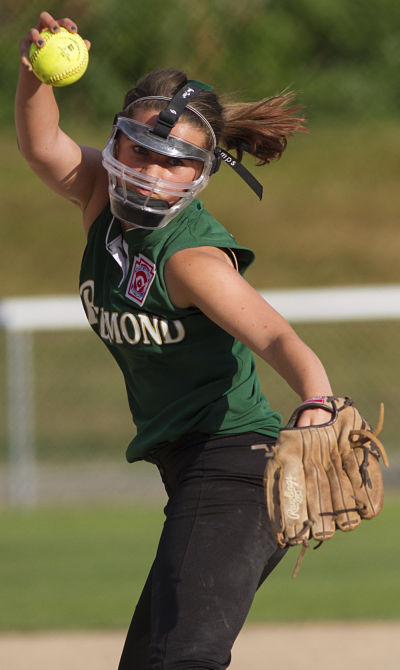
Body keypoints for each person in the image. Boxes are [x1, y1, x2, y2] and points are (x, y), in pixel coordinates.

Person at [17, 12, 334, 670]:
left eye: (178, 162)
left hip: (237, 472)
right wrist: (33, 76)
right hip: (192, 473)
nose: (156, 172)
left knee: (183, 661)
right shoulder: (100, 199)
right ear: (117, 141)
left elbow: (275, 333)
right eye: (143, 150)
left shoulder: (190, 258)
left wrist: (318, 398)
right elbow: (42, 144)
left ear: (201, 173)